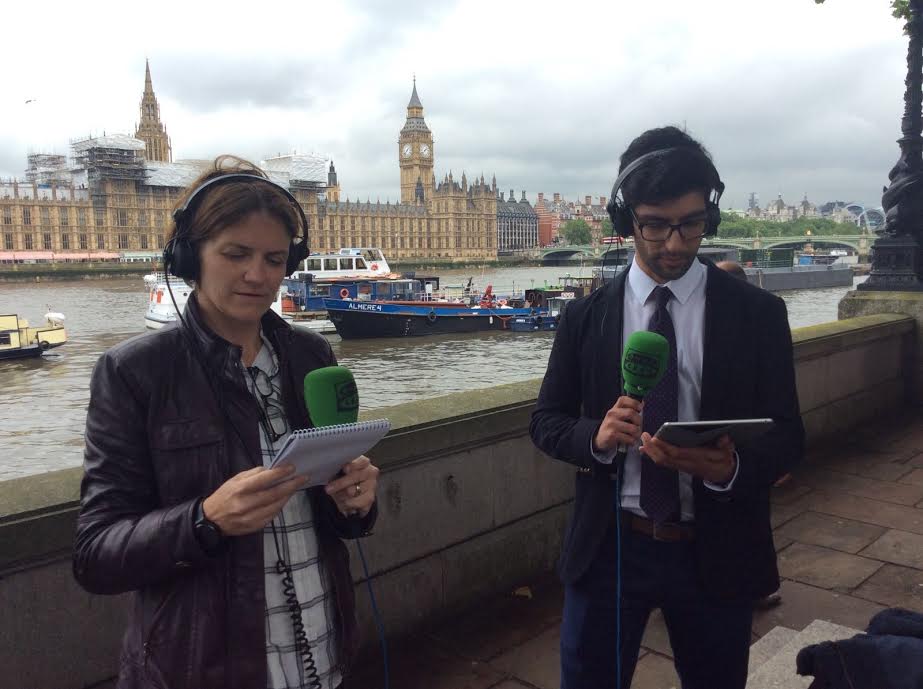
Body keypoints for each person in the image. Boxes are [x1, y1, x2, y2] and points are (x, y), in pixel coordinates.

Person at [73, 156, 379, 689]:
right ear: (190, 255)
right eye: (236, 254)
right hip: (203, 667)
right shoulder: (134, 373)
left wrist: (354, 502)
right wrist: (205, 519)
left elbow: (329, 516)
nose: (258, 275)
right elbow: (96, 555)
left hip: (325, 648)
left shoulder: (312, 354)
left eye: (275, 258)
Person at [530, 127, 804, 689]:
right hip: (609, 548)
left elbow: (789, 435)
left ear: (712, 217)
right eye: (654, 224)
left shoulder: (758, 315)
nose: (674, 244)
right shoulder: (586, 317)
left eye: (691, 223)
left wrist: (730, 470)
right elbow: (545, 421)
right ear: (624, 219)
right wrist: (596, 436)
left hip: (716, 548)